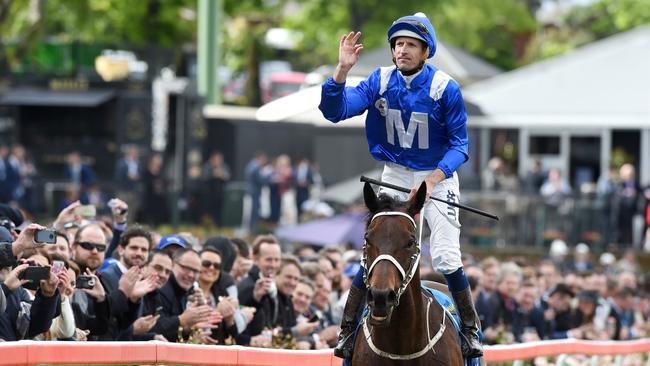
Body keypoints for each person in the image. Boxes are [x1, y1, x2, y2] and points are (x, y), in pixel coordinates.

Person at [318, 12, 481, 358]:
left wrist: (433, 179)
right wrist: (342, 70)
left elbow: (461, 146)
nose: (402, 50)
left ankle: (469, 328)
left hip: (437, 176)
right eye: (398, 44)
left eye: (411, 45)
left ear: (425, 52)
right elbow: (334, 111)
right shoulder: (379, 80)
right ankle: (348, 330)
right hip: (393, 172)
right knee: (377, 253)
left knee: (447, 257)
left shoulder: (445, 88)